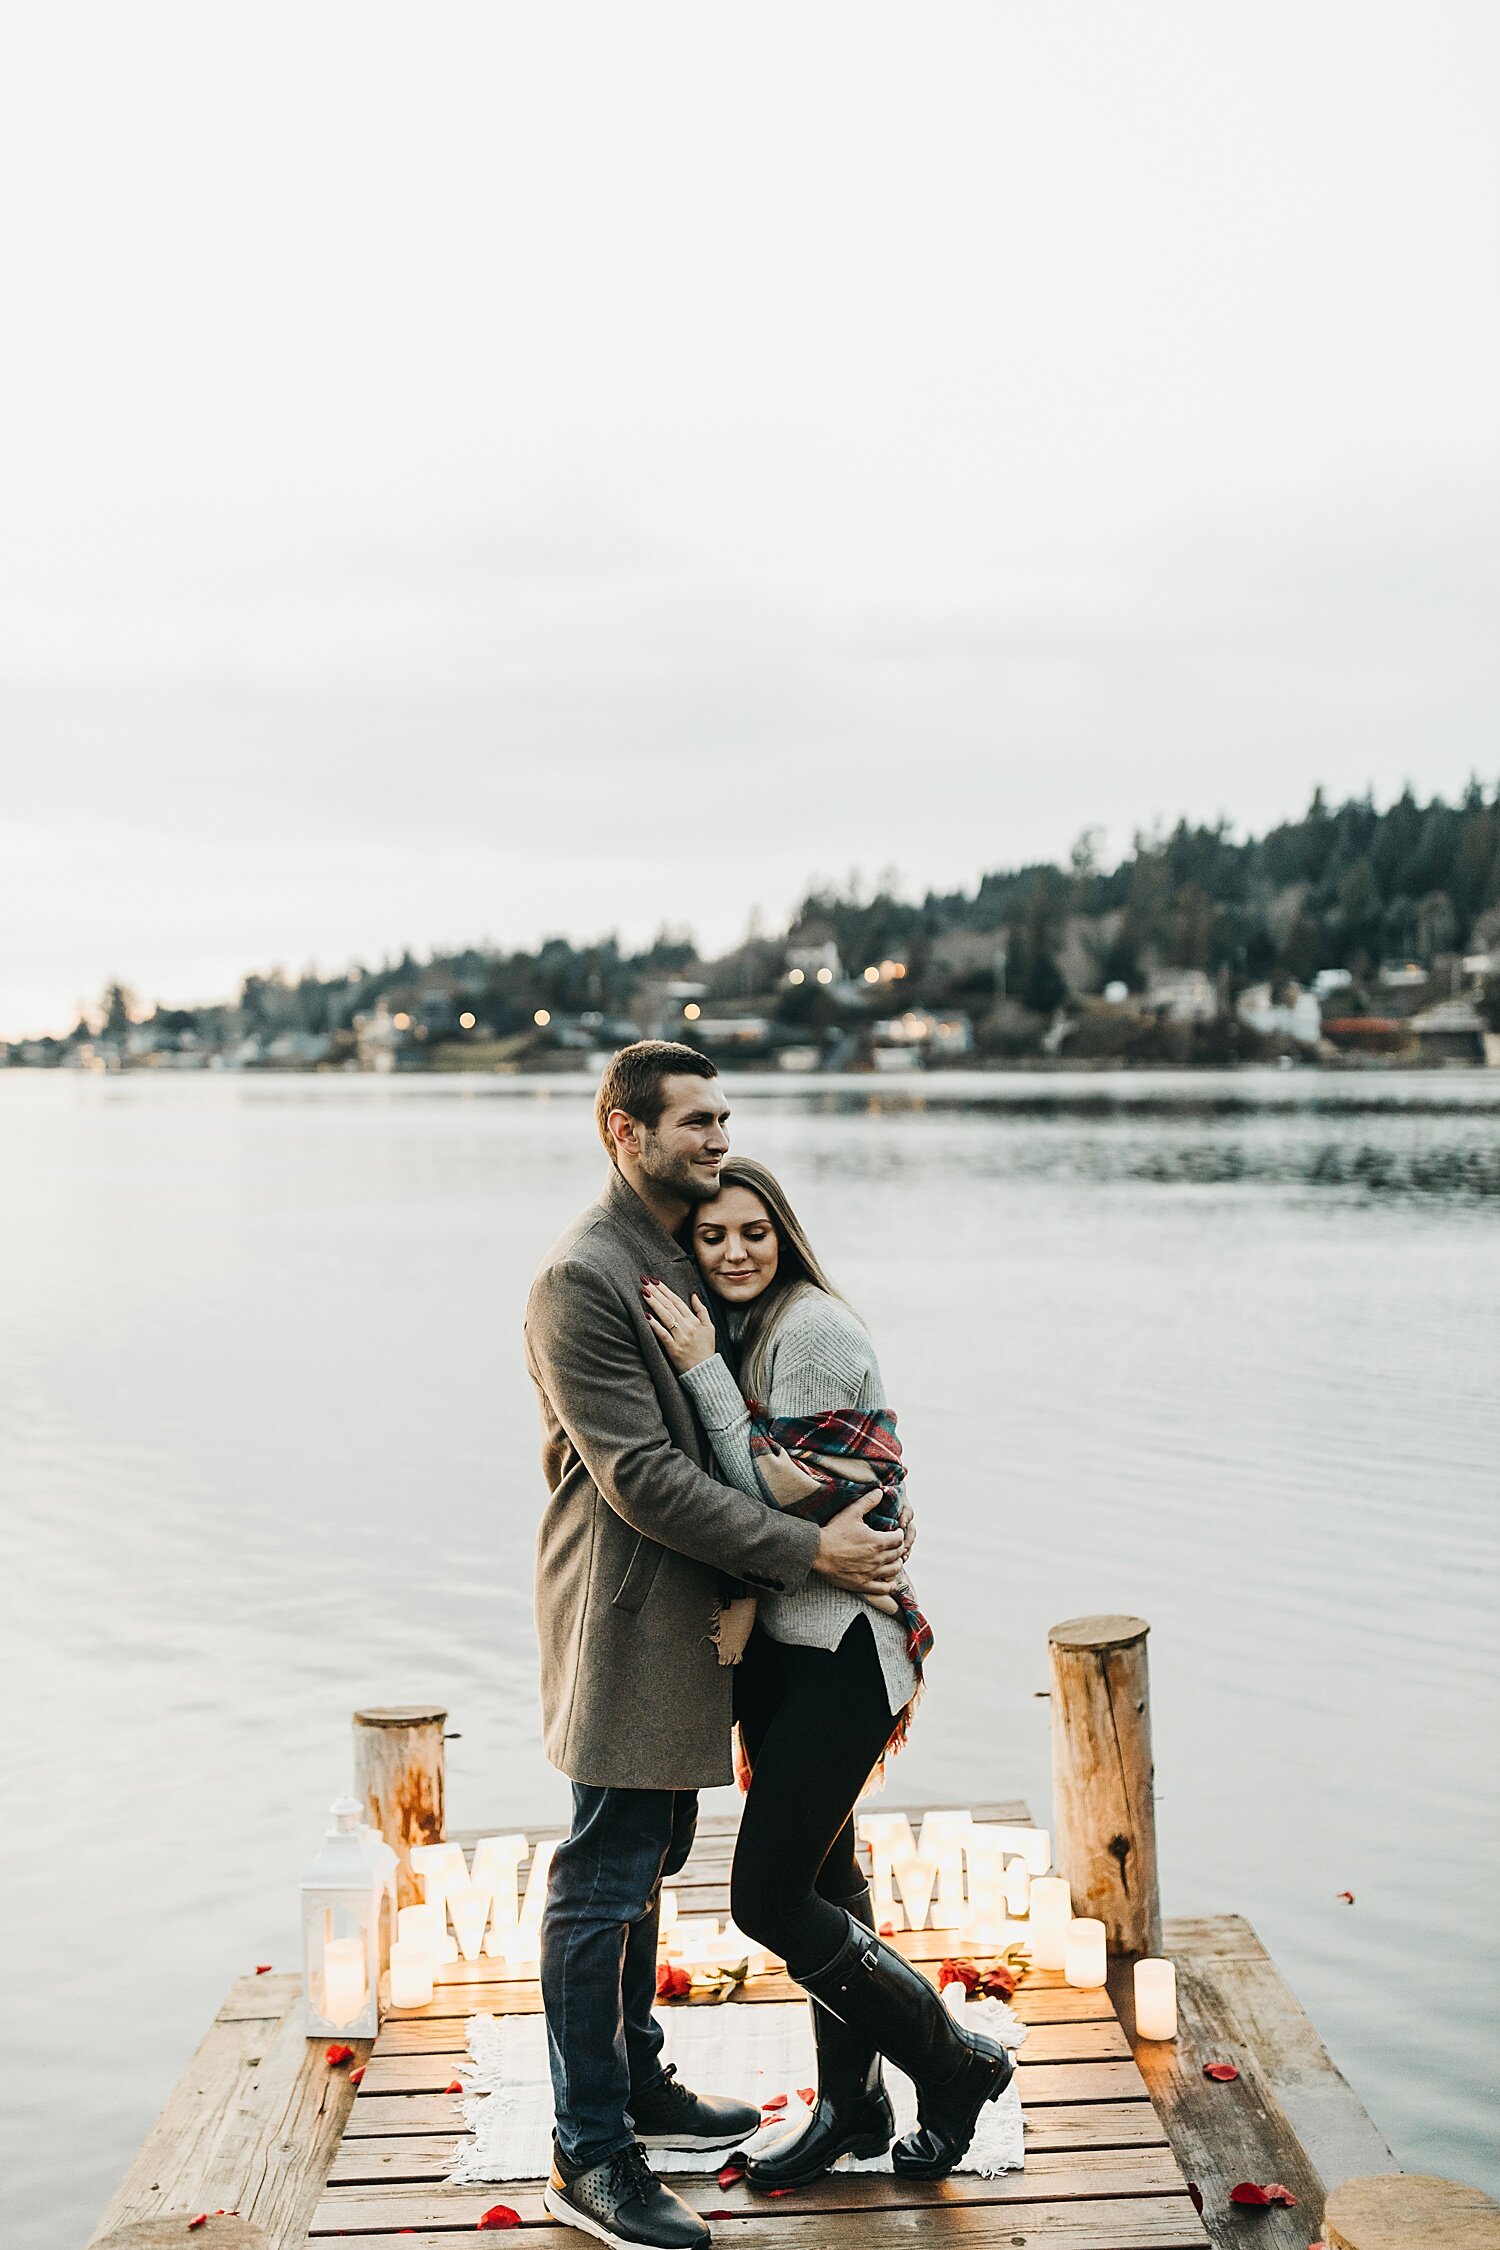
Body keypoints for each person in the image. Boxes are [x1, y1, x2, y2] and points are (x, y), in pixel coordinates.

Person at [525, 1043, 909, 2250]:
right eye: (694, 1121)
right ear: (622, 1132)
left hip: (702, 1613)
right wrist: (812, 1556)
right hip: (627, 1613)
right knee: (604, 1871)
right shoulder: (582, 1279)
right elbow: (637, 1474)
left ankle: (638, 2083)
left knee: (652, 1856)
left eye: (724, 1117)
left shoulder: (679, 1249)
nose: (717, 1138)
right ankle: (589, 2154)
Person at [641, 1157, 1013, 2190]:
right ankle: (852, 2108)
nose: (734, 1252)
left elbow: (760, 1490)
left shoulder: (805, 1331)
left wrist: (707, 1371)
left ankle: (955, 2064)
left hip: (841, 1656)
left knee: (765, 1896)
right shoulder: (749, 1325)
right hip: (786, 1651)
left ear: (784, 1233)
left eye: (753, 1231)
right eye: (711, 1238)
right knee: (827, 1881)